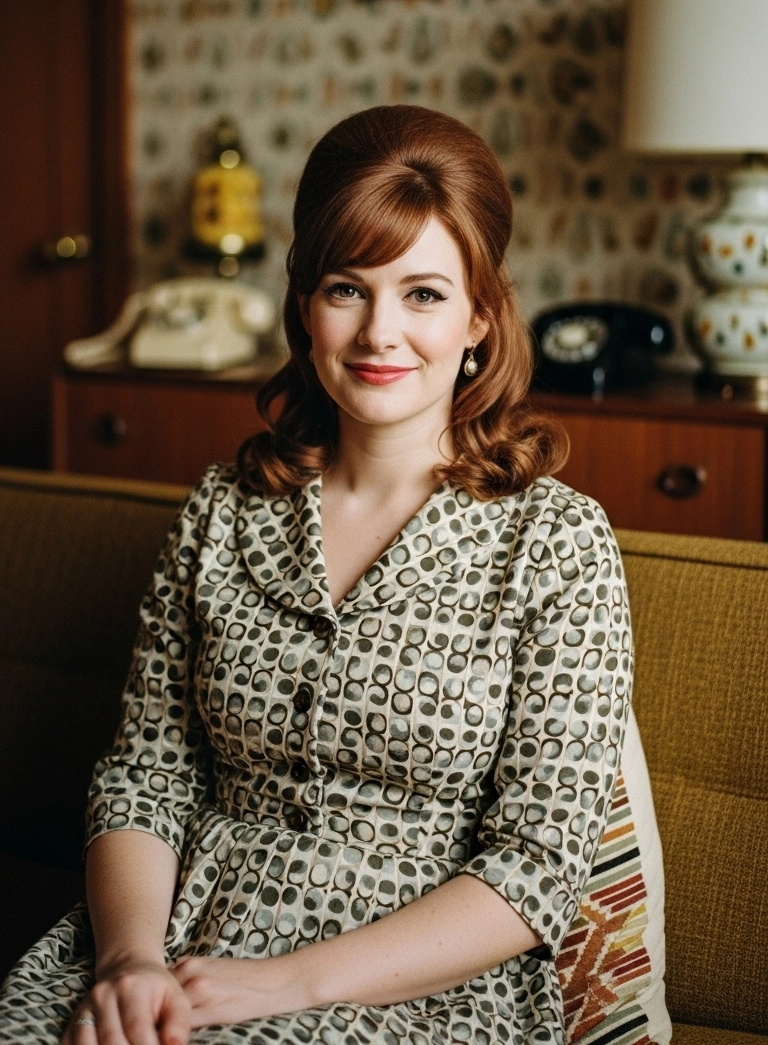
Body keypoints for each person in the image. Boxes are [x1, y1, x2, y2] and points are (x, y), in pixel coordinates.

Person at [0, 105, 633, 1045]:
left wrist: (283, 987)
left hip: (416, 989)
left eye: (423, 293)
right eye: (348, 288)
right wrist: (129, 961)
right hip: (175, 943)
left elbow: (537, 868)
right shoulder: (222, 510)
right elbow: (145, 779)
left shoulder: (558, 545)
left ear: (480, 320)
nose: (381, 332)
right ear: (305, 307)